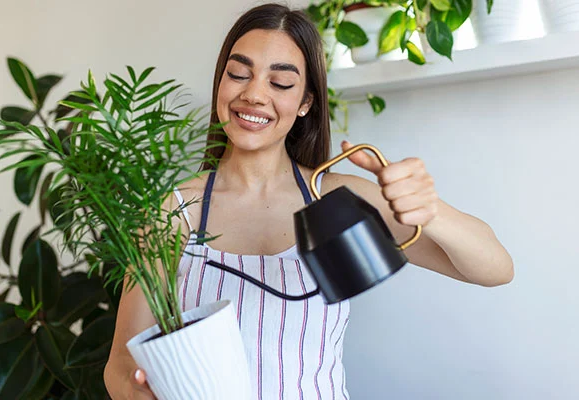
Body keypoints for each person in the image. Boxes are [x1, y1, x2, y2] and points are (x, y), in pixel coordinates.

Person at [104, 3, 514, 399]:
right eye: (238, 74)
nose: (254, 94)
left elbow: (495, 269)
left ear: (305, 103)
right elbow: (122, 361)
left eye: (280, 83)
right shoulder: (172, 209)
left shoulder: (337, 199)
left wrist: (430, 210)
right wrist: (135, 391)